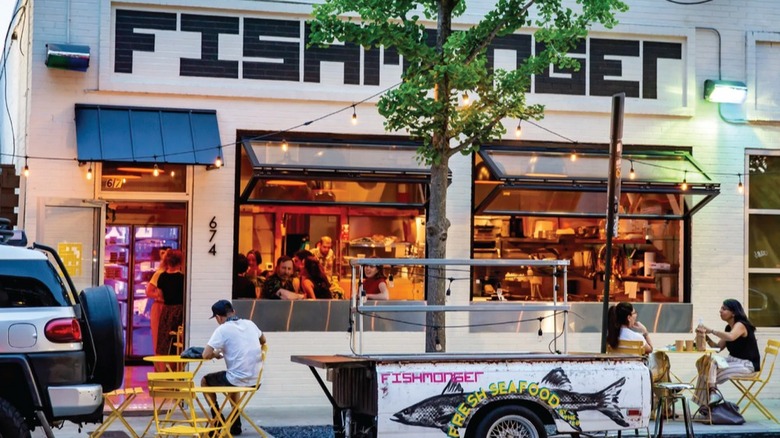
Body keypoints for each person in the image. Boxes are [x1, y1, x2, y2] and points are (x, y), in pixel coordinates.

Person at [201, 300, 266, 436]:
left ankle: (217, 419)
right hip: (255, 380)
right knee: (233, 380)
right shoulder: (250, 324)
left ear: (218, 317)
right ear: (233, 312)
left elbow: (205, 354)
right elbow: (263, 341)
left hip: (236, 379)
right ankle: (236, 424)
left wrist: (215, 354)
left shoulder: (222, 329)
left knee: (205, 381)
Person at [694, 299, 761, 406]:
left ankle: (707, 403)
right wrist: (705, 336)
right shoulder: (729, 327)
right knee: (704, 362)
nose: (720, 311)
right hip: (732, 361)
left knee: (707, 373)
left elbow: (731, 337)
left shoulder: (741, 325)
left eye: (724, 309)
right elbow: (717, 348)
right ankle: (712, 396)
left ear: (733, 313)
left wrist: (711, 330)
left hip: (747, 365)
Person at [155, 249, 185, 359]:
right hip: (180, 311)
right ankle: (176, 369)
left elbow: (160, 296)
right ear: (180, 261)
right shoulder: (183, 278)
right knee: (177, 343)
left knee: (165, 343)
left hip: (166, 311)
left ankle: (164, 370)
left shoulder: (162, 277)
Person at [145, 246, 170, 370]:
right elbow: (148, 291)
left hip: (166, 308)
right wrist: (160, 296)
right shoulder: (159, 274)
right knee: (159, 340)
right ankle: (160, 369)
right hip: (159, 307)